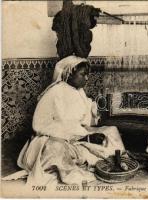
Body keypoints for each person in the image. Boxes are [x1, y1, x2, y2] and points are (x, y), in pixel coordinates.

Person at [5, 56, 125, 185]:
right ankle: (86, 162)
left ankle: (117, 159)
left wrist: (91, 128)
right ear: (69, 73)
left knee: (111, 130)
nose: (86, 78)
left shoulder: (80, 92)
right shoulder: (54, 92)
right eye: (83, 74)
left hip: (76, 137)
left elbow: (82, 123)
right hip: (50, 139)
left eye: (87, 75)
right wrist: (71, 135)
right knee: (57, 148)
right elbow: (38, 125)